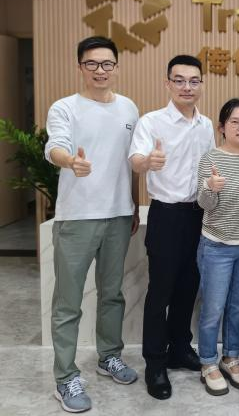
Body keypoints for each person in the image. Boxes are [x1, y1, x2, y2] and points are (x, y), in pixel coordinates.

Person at [45, 36, 140, 413]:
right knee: (68, 302)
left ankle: (109, 356)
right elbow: (54, 146)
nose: (100, 70)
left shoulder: (129, 108)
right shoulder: (65, 107)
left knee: (112, 294)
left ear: (116, 66)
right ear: (80, 67)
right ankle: (65, 377)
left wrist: (133, 205)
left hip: (118, 215)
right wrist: (70, 161)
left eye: (107, 63)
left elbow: (130, 161)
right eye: (92, 64)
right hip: (77, 217)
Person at [129, 55, 215, 400]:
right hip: (166, 214)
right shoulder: (151, 122)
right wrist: (147, 161)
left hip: (198, 215)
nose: (186, 87)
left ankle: (180, 347)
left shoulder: (206, 125)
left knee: (188, 286)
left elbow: (211, 165)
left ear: (201, 85)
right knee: (160, 290)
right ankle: (155, 362)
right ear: (168, 83)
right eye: (179, 80)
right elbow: (136, 160)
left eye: (193, 81)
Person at [195, 98, 239, 395]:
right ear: (222, 127)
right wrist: (210, 187)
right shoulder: (210, 158)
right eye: (234, 122)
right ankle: (208, 361)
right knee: (213, 309)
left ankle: (230, 357)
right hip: (216, 246)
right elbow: (204, 204)